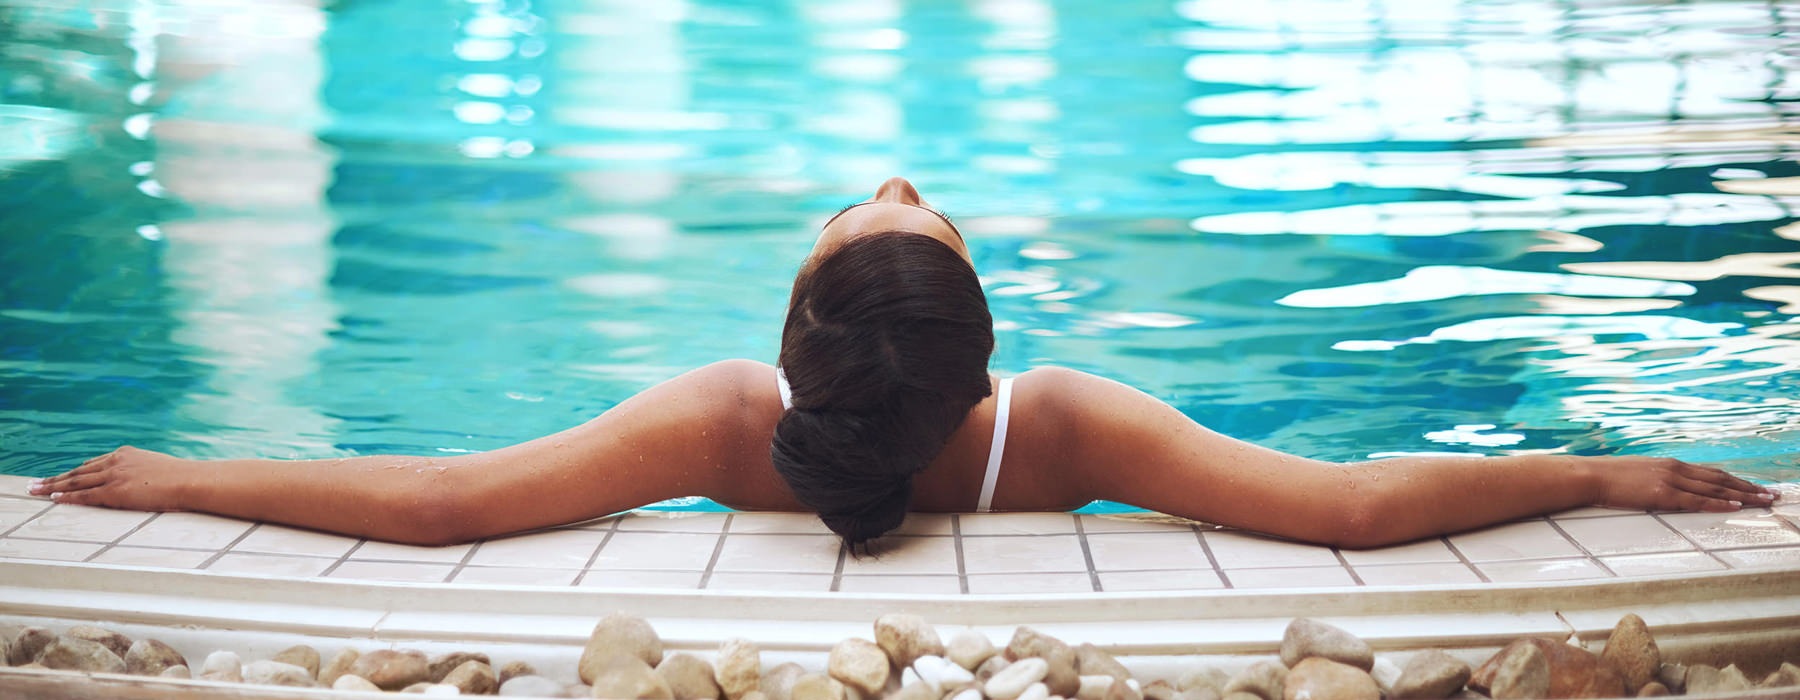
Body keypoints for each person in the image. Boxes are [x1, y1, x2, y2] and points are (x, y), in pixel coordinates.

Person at [28, 177, 1778, 550]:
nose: (897, 187)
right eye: (916, 213)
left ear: (793, 333)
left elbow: (444, 501)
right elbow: (1349, 506)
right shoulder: (1059, 428)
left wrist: (186, 475)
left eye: (889, 209)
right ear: (981, 347)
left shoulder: (728, 419)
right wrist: (1602, 472)